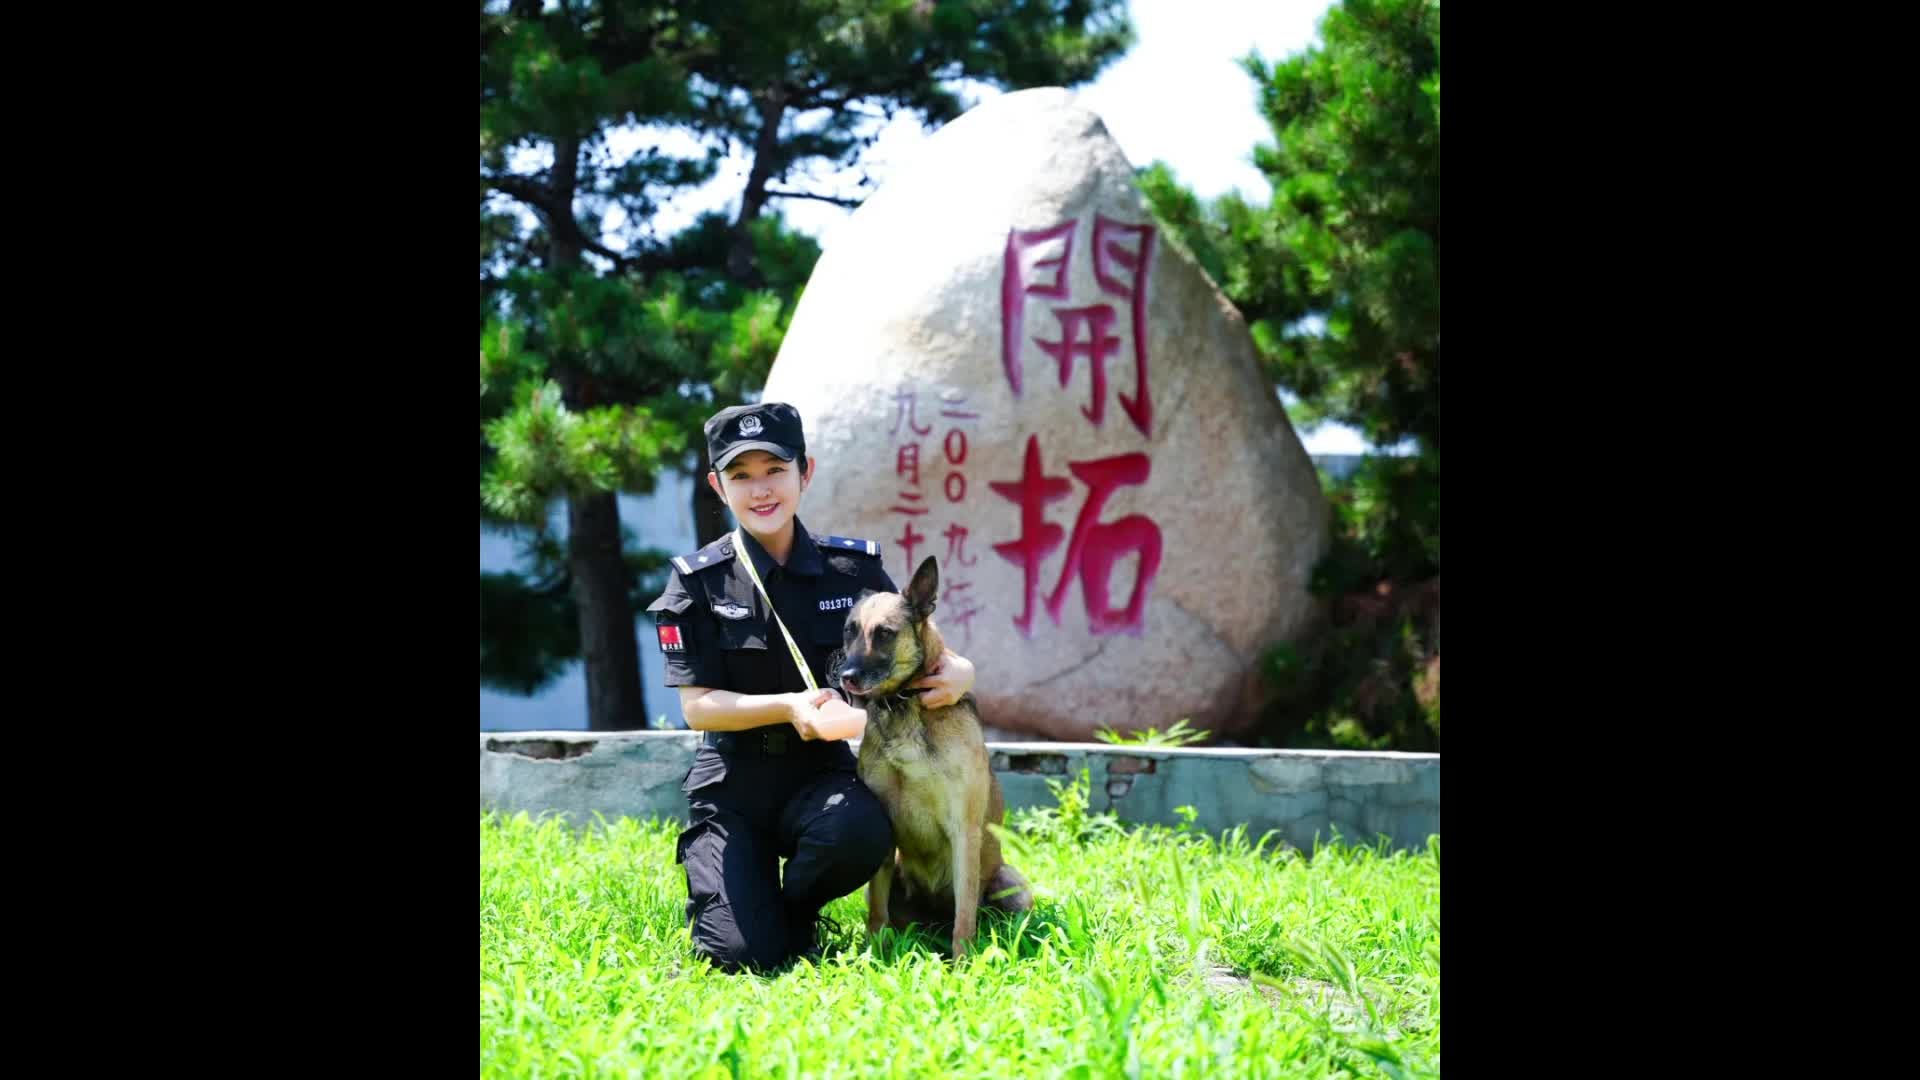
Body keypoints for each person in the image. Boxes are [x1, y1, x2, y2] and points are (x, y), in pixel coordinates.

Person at [645, 402, 977, 972]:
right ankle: (751, 915)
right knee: (742, 959)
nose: (761, 490)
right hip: (735, 785)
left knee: (862, 829)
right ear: (717, 486)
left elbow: (917, 637)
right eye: (741, 476)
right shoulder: (696, 580)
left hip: (821, 776)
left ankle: (794, 911)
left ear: (806, 471)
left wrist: (962, 669)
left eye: (775, 470)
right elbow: (697, 708)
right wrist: (787, 707)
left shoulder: (853, 570)